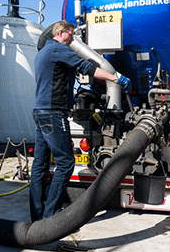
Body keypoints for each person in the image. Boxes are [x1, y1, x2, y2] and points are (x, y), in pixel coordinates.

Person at [30, 20, 130, 221]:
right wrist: (115, 78)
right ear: (60, 32)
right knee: (66, 162)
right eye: (71, 34)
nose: (73, 38)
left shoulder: (42, 52)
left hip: (40, 111)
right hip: (53, 113)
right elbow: (88, 68)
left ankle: (37, 215)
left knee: (39, 164)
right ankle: (52, 215)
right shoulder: (58, 49)